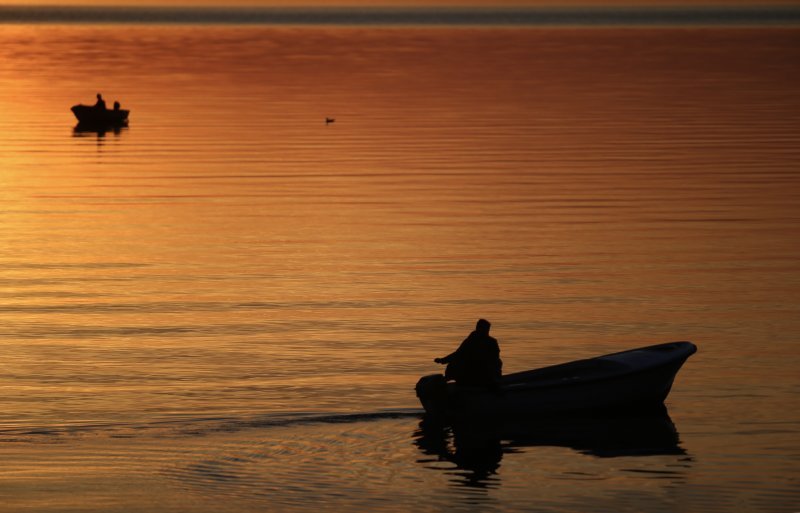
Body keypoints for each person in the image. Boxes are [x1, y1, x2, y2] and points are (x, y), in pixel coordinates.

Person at [435, 319, 502, 388]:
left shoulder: (491, 342)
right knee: (454, 363)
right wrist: (442, 360)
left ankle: (491, 383)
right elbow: (458, 354)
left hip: (485, 373)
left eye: (487, 329)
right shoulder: (470, 340)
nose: (486, 331)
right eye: (485, 329)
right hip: (472, 372)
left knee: (495, 364)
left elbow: (495, 360)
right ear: (478, 328)